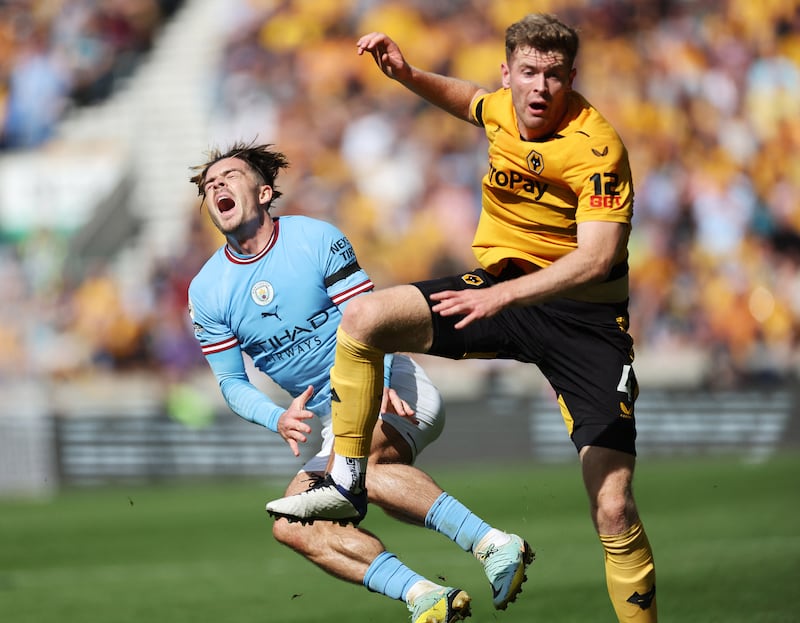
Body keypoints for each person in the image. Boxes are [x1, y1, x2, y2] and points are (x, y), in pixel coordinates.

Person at [266, 13, 657, 622]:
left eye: (554, 75)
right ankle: (346, 480)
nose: (540, 87)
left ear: (572, 77)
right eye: (528, 72)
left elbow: (599, 257)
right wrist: (406, 74)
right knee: (364, 319)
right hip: (499, 291)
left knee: (614, 508)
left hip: (582, 322)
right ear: (509, 72)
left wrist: (504, 297)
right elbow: (471, 102)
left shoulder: (596, 147)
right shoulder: (503, 106)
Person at [186, 143, 534, 623]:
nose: (217, 186)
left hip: (391, 382)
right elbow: (230, 382)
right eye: (209, 185)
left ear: (265, 192)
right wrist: (278, 416)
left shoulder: (313, 238)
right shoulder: (207, 290)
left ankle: (493, 544)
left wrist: (382, 374)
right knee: (291, 522)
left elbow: (371, 318)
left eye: (229, 176)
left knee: (357, 466)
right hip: (332, 417)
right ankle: (424, 596)